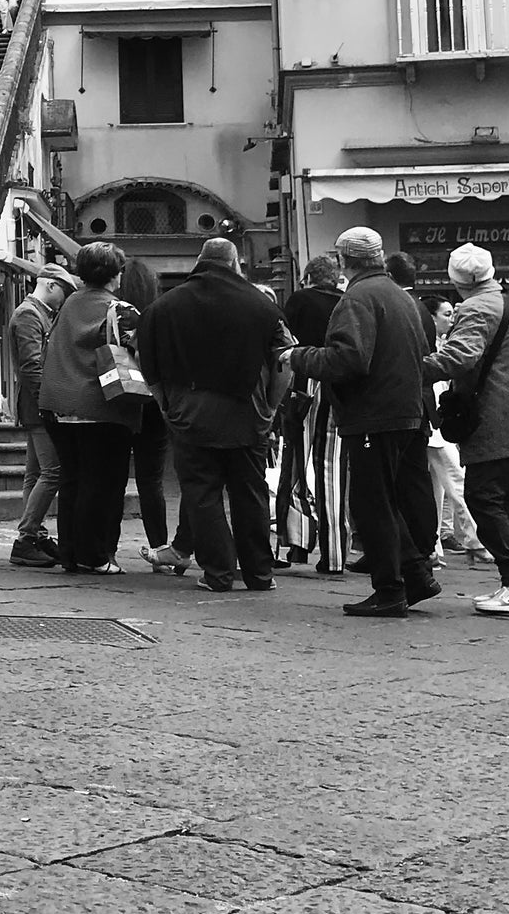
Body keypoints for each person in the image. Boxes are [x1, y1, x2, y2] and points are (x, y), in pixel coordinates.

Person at [288, 228, 439, 620]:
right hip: (404, 410)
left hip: (374, 412)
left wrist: (299, 357)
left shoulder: (358, 298)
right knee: (384, 499)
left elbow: (349, 359)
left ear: (343, 260)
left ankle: (390, 589)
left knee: (372, 503)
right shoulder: (399, 296)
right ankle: (415, 576)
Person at [136, 238, 284, 594]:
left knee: (202, 494)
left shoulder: (163, 307)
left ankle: (218, 573)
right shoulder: (261, 305)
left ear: (199, 261)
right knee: (250, 492)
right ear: (234, 263)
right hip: (247, 411)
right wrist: (271, 406)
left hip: (189, 410)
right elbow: (284, 362)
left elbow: (147, 364)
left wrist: (165, 404)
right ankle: (259, 574)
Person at [425, 243, 509, 617]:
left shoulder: (477, 308)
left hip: (498, 419)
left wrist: (409, 366)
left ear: (456, 280)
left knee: (484, 497)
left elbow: (458, 357)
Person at [38, 244, 140, 575]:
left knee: (73, 480)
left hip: (57, 404)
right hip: (101, 406)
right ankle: (94, 554)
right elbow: (141, 351)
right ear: (115, 274)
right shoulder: (119, 310)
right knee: (103, 484)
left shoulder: (68, 304)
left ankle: (70, 552)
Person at [275, 254, 347, 573]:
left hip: (305, 384)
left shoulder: (300, 300)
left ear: (308, 278)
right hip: (341, 389)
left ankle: (298, 541)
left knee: (298, 464)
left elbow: (285, 343)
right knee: (332, 468)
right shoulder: (347, 302)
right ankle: (335, 553)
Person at [9, 265, 75, 568]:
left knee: (36, 473)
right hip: (39, 405)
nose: (65, 298)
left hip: (33, 404)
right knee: (53, 472)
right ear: (50, 285)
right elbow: (32, 366)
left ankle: (34, 535)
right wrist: (48, 404)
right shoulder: (29, 315)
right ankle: (27, 537)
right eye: (64, 290)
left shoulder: (34, 313)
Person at [422, 295, 486, 565]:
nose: (451, 320)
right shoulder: (429, 345)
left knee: (437, 487)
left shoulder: (441, 345)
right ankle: (476, 540)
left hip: (434, 421)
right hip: (432, 422)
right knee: (455, 479)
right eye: (446, 314)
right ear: (431, 317)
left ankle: (432, 545)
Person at [115, 259, 172, 555]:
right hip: (152, 401)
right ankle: (159, 543)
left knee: (114, 477)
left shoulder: (114, 314)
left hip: (119, 399)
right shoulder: (159, 316)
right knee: (151, 480)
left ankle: (107, 547)